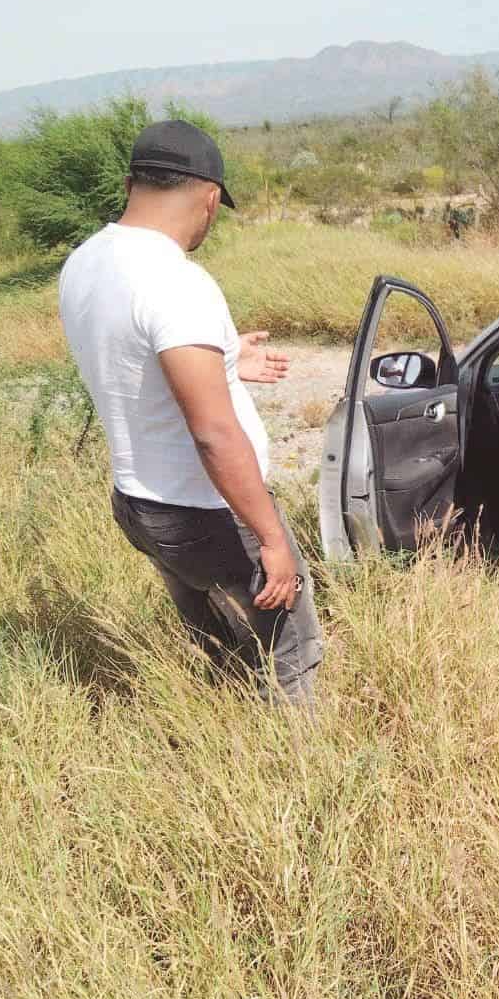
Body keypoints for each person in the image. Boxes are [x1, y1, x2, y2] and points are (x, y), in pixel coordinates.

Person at [58, 119, 323, 705]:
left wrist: (226, 360)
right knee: (287, 657)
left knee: (220, 649)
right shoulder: (176, 281)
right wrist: (271, 536)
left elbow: (132, 360)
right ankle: (302, 775)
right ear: (209, 199)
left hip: (140, 503)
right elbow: (213, 432)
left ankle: (226, 749)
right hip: (210, 513)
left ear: (132, 184)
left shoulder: (86, 260)